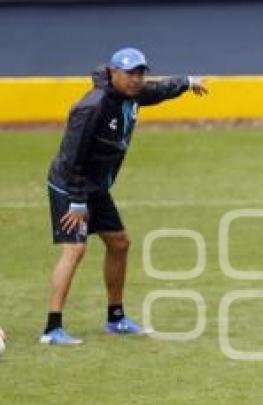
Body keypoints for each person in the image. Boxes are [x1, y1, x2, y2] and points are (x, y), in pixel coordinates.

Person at [41, 48, 208, 345]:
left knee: (119, 242)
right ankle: (52, 328)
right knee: (75, 250)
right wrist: (78, 200)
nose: (135, 80)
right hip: (70, 185)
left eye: (140, 73)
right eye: (129, 73)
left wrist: (188, 82)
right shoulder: (92, 107)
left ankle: (115, 319)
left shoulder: (132, 94)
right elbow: (73, 156)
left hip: (96, 187)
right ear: (113, 73)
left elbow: (158, 90)